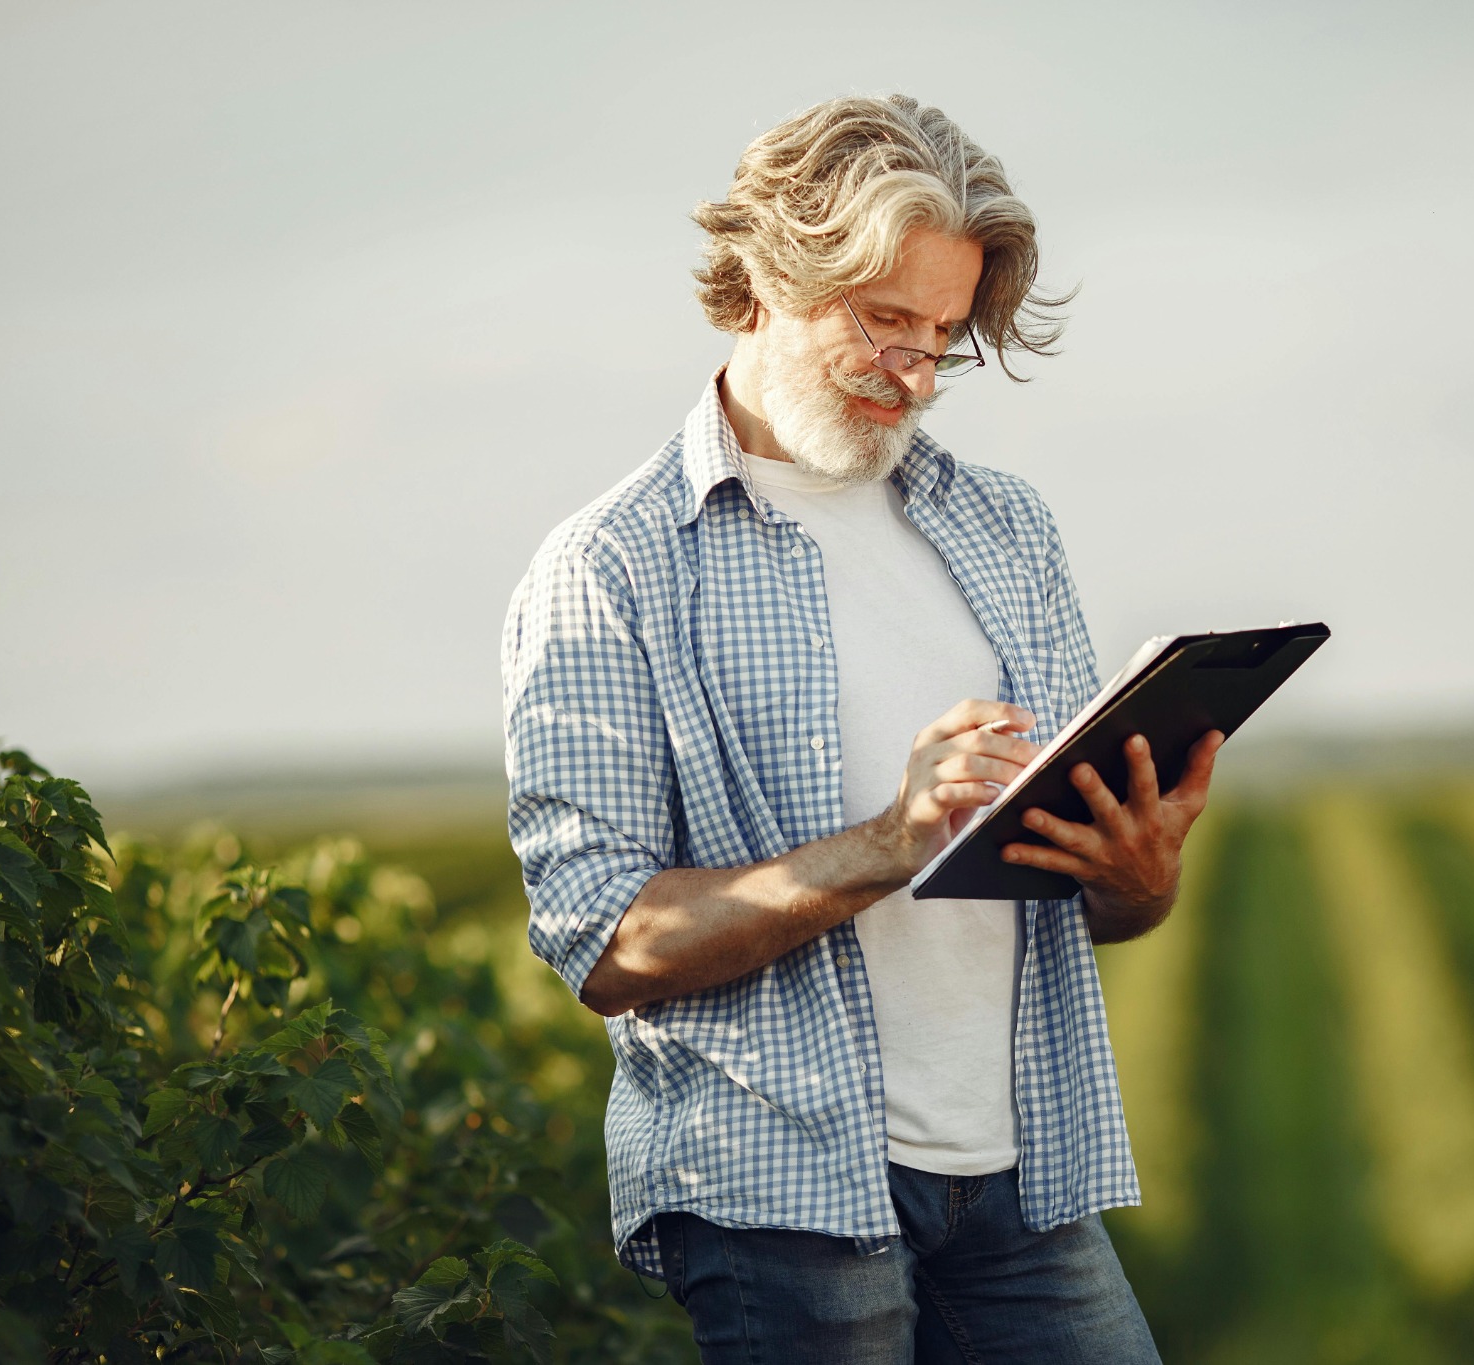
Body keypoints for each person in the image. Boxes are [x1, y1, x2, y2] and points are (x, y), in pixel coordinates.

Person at [501, 94, 1220, 1364]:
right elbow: (604, 944)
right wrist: (888, 842)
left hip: (1018, 1178)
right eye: (885, 321)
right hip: (780, 1196)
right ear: (767, 277)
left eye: (943, 335)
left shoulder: (1005, 528)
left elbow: (1090, 908)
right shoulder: (609, 567)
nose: (918, 371)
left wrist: (1134, 875)